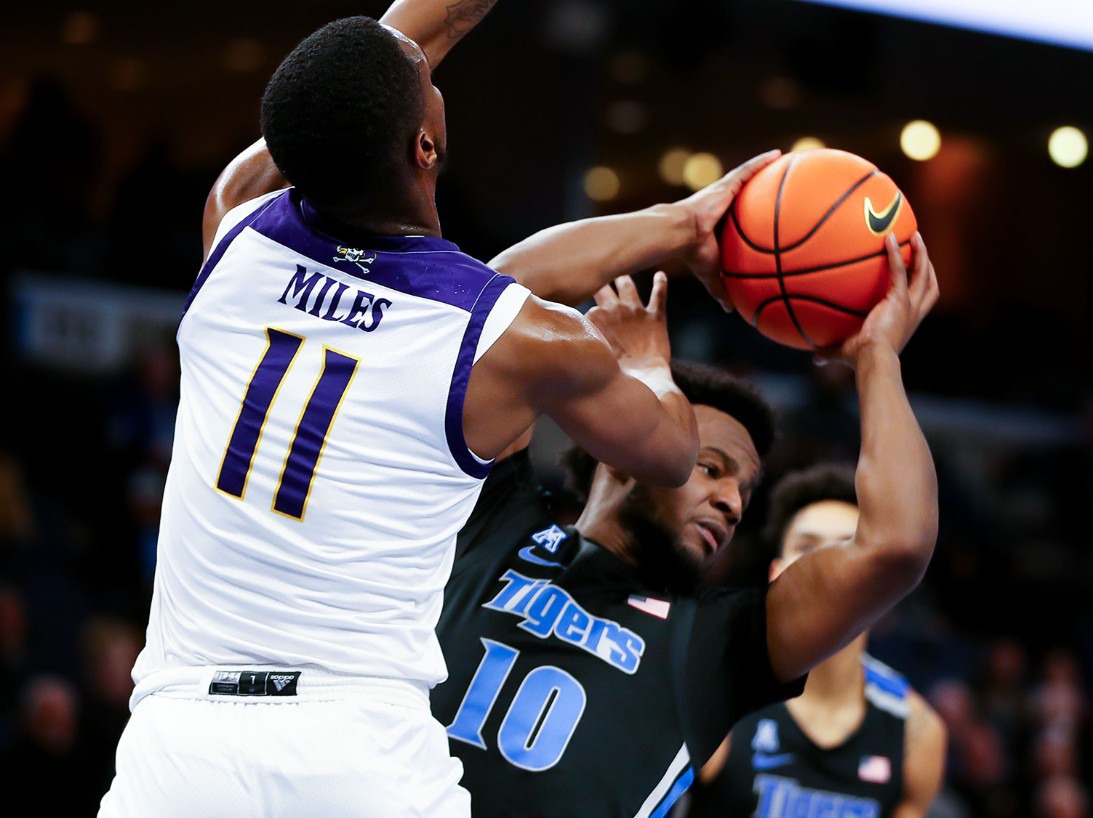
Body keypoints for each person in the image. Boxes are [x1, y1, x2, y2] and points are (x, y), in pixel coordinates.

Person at [98, 0, 776, 814]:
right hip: (354, 751)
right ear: (425, 145)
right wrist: (652, 360)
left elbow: (393, 50)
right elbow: (669, 452)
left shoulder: (233, 230)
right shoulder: (515, 341)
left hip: (182, 745)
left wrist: (675, 224)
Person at [428, 217, 940, 816]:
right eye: (713, 468)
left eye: (745, 492)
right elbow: (497, 294)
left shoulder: (716, 643)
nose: (732, 502)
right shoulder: (497, 522)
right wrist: (689, 224)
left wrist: (877, 356)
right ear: (622, 454)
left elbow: (897, 545)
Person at [682, 462, 948, 818]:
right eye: (808, 547)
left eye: (847, 548)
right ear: (776, 574)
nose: (826, 565)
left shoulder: (916, 731)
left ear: (882, 582)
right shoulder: (712, 694)